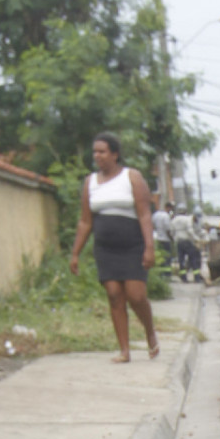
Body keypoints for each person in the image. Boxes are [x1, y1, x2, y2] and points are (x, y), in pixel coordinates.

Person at [69, 132, 159, 363]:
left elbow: (144, 214)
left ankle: (150, 332)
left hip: (132, 246)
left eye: (102, 151)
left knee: (136, 296)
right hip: (105, 249)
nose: (97, 156)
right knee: (114, 296)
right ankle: (124, 350)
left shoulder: (132, 177)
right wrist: (75, 253)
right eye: (95, 152)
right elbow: (85, 221)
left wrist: (149, 247)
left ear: (115, 154)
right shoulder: (90, 182)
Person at [171, 203, 204, 283]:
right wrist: (197, 239)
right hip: (187, 241)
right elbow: (190, 231)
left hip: (179, 242)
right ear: (185, 211)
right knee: (193, 259)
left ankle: (184, 278)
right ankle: (197, 278)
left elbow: (172, 232)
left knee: (181, 260)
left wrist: (174, 239)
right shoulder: (187, 219)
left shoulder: (174, 220)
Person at [151, 200, 175, 277]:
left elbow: (152, 226)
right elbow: (168, 230)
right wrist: (172, 239)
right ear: (168, 207)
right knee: (167, 257)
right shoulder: (166, 216)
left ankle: (160, 274)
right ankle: (167, 274)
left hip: (157, 239)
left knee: (160, 257)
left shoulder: (155, 215)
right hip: (165, 240)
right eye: (171, 209)